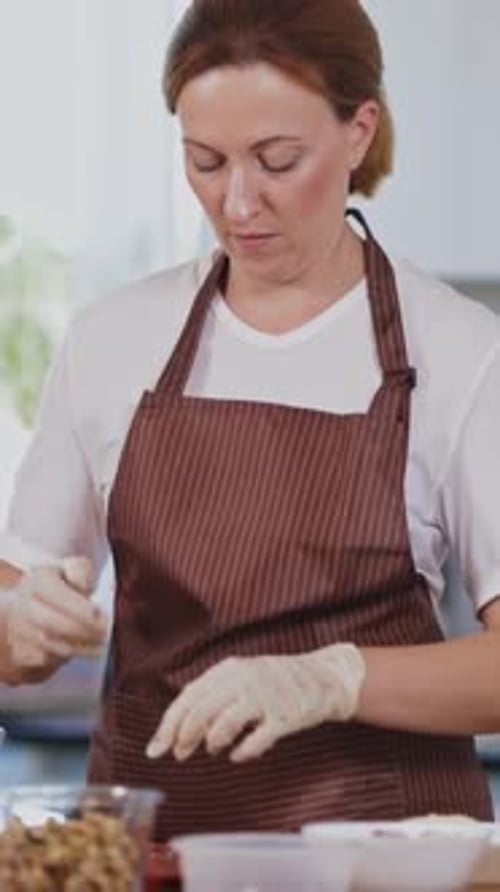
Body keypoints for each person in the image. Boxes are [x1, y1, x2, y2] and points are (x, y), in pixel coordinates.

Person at [1, 0, 500, 839]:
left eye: (278, 160)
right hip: (155, 854)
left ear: (358, 132)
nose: (236, 203)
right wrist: (19, 629)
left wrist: (337, 679)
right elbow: (15, 608)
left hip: (380, 859)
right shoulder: (114, 339)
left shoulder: (460, 349)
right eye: (205, 161)